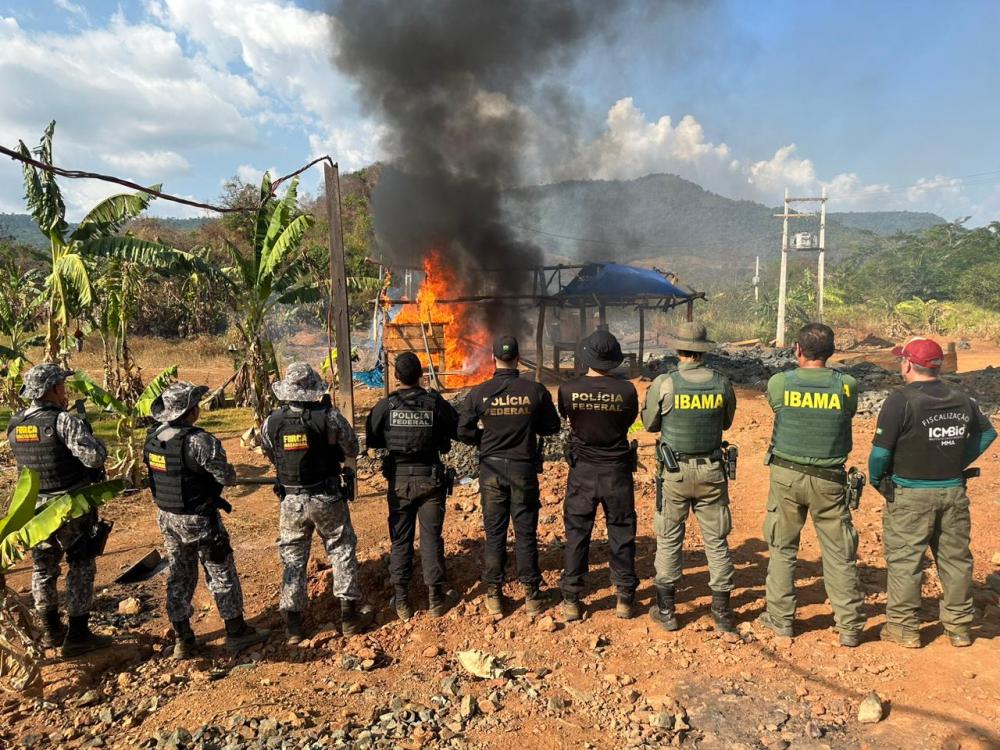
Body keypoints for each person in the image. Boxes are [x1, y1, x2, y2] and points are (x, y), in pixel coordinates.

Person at [869, 337, 996, 648]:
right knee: (955, 561)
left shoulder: (900, 400)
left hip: (911, 495)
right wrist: (956, 461)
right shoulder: (961, 397)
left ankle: (903, 629)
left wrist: (877, 479)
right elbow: (987, 433)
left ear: (909, 364)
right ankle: (959, 628)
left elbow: (880, 454)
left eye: (902, 360)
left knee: (905, 561)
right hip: (953, 491)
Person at [143, 382, 269, 658]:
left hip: (167, 517)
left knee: (179, 574)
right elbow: (227, 477)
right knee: (220, 570)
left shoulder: (153, 438)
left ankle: (183, 638)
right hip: (199, 518)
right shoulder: (199, 441)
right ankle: (236, 632)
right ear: (190, 411)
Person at [759, 323, 866, 647]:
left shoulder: (780, 382)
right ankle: (849, 626)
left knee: (782, 548)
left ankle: (781, 619)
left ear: (797, 350)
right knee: (839, 554)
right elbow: (849, 412)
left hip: (787, 476)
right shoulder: (846, 385)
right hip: (830, 480)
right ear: (831, 353)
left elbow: (777, 406)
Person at [6, 364, 112, 657]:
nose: (65, 392)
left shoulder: (15, 424)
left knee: (43, 567)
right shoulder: (63, 422)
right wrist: (99, 444)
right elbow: (92, 458)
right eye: (62, 387)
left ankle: (51, 629)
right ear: (52, 390)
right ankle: (78, 633)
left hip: (35, 511)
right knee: (81, 563)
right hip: (68, 507)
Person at [261, 362, 371, 643]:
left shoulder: (272, 421)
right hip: (326, 496)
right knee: (341, 548)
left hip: (291, 501)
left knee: (293, 559)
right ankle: (348, 617)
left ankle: (294, 627)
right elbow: (353, 449)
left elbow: (270, 452)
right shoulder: (329, 417)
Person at [641, 322, 738, 632]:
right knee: (717, 541)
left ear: (678, 348)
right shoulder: (721, 383)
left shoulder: (665, 383)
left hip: (674, 472)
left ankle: (666, 610)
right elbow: (726, 422)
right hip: (711, 471)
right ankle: (722, 612)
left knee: (669, 538)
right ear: (703, 349)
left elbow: (650, 424)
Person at [457, 335, 562, 615]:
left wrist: (485, 437)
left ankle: (494, 595)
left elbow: (463, 430)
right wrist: (529, 425)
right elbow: (552, 426)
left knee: (495, 534)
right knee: (525, 532)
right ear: (518, 358)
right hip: (523, 470)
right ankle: (532, 595)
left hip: (490, 471)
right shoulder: (535, 391)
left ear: (494, 359)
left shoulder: (479, 393)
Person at [365, 352, 459, 620]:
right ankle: (436, 599)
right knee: (431, 538)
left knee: (401, 540)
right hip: (430, 479)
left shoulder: (386, 406)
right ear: (421, 375)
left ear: (395, 376)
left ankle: (403, 602)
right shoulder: (434, 403)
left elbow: (372, 439)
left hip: (399, 482)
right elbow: (457, 428)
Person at [557, 330, 639, 621]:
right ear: (613, 360)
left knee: (577, 533)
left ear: (586, 356)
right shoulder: (627, 391)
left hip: (583, 471)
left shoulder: (567, 389)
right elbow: (628, 422)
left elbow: (568, 419)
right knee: (621, 530)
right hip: (616, 470)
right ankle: (625, 598)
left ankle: (571, 599)